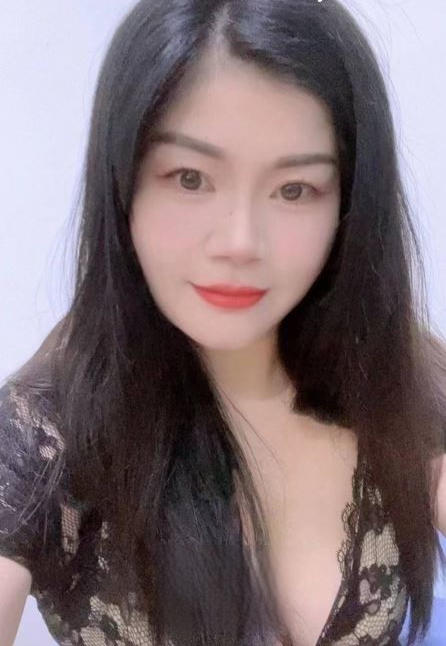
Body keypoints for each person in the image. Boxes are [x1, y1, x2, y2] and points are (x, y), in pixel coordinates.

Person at [1, 0, 445, 644]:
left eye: (294, 190)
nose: (240, 242)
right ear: (122, 183)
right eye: (190, 178)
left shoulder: (396, 378)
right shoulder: (39, 437)